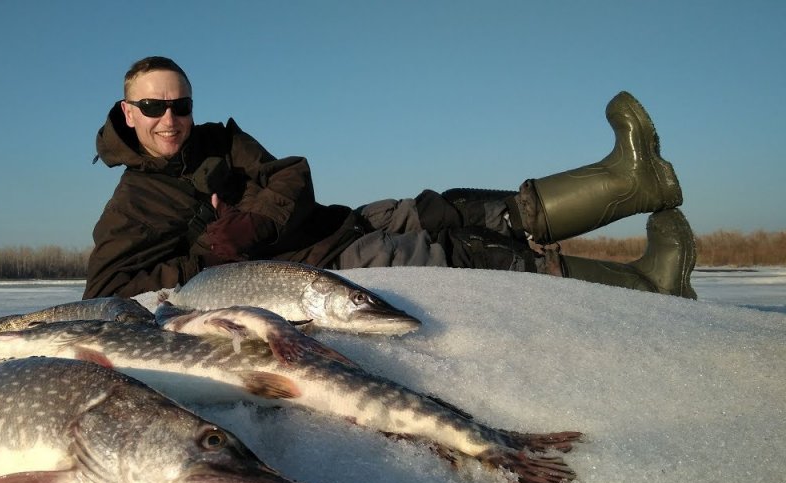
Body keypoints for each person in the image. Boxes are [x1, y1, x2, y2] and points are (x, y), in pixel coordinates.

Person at [83, 56, 696, 300]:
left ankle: (635, 181)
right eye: (156, 108)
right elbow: (106, 292)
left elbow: (292, 175)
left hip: (329, 222)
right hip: (316, 265)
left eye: (180, 105)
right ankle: (644, 287)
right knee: (454, 250)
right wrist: (209, 256)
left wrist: (255, 220)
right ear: (129, 112)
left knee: (448, 206)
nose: (172, 119)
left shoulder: (218, 139)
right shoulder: (133, 202)